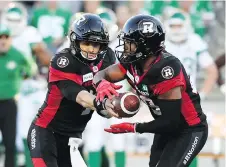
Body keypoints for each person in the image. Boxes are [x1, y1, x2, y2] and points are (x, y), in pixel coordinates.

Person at [93, 14, 208, 167]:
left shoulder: (166, 70)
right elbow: (103, 74)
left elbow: (171, 122)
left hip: (189, 129)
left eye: (130, 43)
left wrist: (134, 127)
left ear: (145, 46)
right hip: (164, 126)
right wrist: (101, 84)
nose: (125, 46)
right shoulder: (133, 62)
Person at [27, 13, 119, 167]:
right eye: (86, 43)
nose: (91, 49)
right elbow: (81, 96)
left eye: (96, 45)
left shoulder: (107, 57)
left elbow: (107, 90)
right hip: (47, 131)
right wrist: (101, 104)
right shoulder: (63, 61)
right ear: (75, 41)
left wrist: (117, 102)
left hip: (72, 137)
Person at [0, 24, 35, 167]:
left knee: (10, 142)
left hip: (9, 103)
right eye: (0, 37)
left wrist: (25, 73)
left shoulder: (17, 55)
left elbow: (31, 69)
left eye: (6, 37)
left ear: (10, 39)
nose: (3, 40)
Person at [164, 10, 218, 100]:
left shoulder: (194, 41)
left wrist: (203, 94)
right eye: (173, 26)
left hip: (189, 96)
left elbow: (212, 71)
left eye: (179, 26)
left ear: (186, 26)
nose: (176, 30)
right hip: (165, 97)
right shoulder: (162, 43)